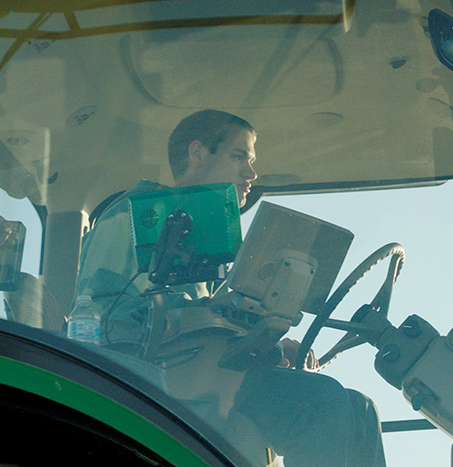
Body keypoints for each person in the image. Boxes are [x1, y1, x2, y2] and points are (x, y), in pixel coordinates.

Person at [74, 109, 386, 467]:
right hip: (158, 380)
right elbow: (98, 316)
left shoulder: (214, 241)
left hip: (212, 371)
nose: (251, 174)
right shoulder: (131, 217)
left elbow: (211, 321)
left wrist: (264, 337)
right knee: (321, 401)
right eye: (240, 157)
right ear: (197, 154)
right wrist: (202, 311)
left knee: (362, 409)